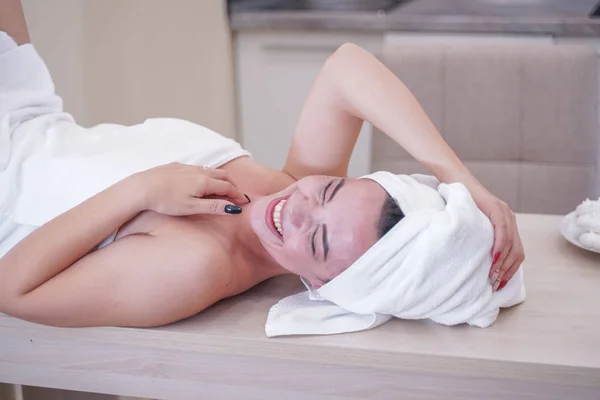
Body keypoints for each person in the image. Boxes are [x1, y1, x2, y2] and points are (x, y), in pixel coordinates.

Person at [0, 0, 524, 328]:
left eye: (316, 241)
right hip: (27, 107)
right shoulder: (288, 186)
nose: (296, 208)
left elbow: (13, 291)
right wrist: (464, 183)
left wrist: (142, 190)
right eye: (330, 191)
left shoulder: (195, 267)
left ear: (324, 287)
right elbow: (346, 68)